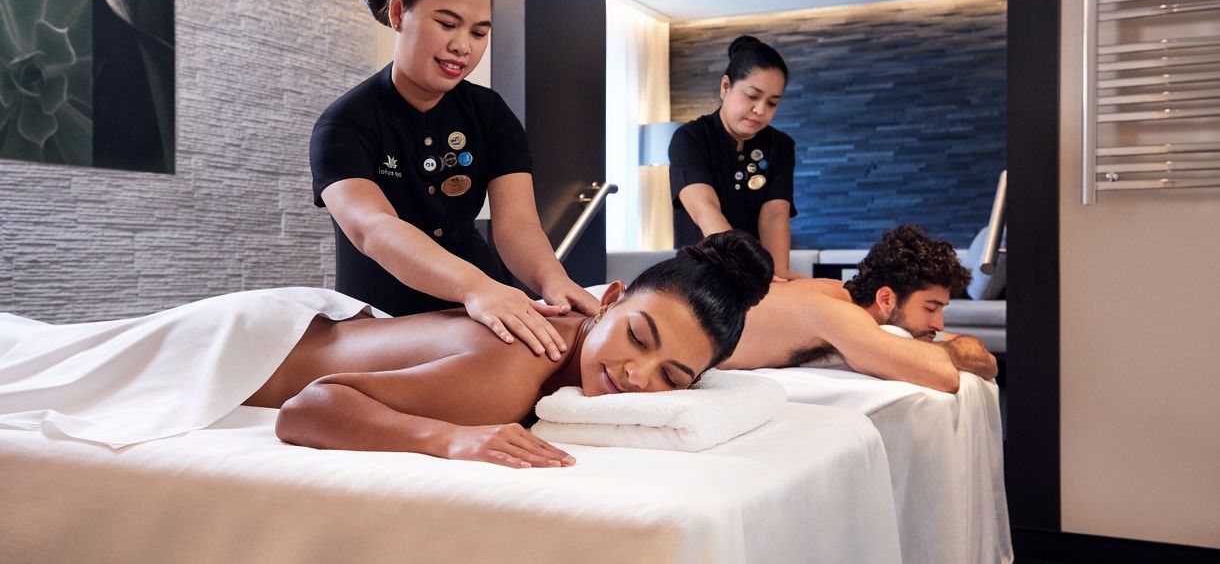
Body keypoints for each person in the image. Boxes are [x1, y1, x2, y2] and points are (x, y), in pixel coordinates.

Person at [0, 232, 773, 469]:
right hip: (243, 344)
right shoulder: (513, 369)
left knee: (46, 348)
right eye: (636, 336)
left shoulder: (565, 337)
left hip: (307, 323)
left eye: (670, 378)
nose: (634, 376)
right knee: (30, 367)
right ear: (604, 300)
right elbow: (309, 409)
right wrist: (450, 438)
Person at [310, 0, 596, 362]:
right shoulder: (345, 122)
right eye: (447, 24)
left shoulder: (489, 113)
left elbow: (516, 225)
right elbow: (373, 228)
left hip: (481, 306)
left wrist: (553, 280)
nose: (464, 46)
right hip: (383, 323)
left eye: (479, 32)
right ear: (398, 13)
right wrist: (474, 287)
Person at [721, 225, 998, 392]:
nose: (939, 324)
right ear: (886, 299)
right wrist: (950, 353)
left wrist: (952, 349)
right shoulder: (834, 312)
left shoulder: (849, 302)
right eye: (931, 308)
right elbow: (943, 376)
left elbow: (987, 362)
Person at [668, 35, 802, 279]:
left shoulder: (780, 146)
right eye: (752, 96)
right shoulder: (691, 138)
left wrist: (777, 276)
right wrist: (745, 270)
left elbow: (774, 215)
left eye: (772, 103)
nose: (760, 110)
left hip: (758, 275)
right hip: (700, 274)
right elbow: (705, 209)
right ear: (726, 86)